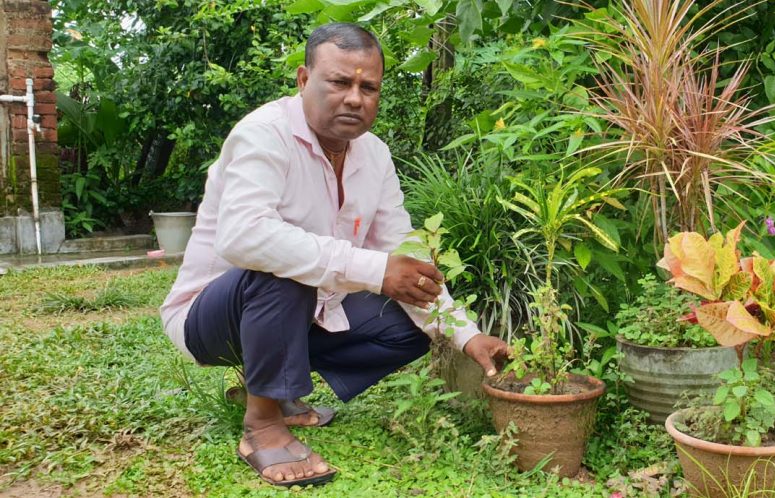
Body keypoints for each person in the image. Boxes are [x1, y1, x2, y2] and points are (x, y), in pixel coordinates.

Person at [159, 22, 511, 487]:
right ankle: (261, 424)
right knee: (283, 265)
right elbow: (243, 238)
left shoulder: (375, 155)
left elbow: (400, 252)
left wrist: (468, 337)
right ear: (304, 80)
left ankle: (273, 389)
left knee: (407, 319)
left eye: (369, 87)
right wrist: (374, 269)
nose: (355, 98)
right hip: (212, 316)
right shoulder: (263, 134)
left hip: (299, 314)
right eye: (340, 82)